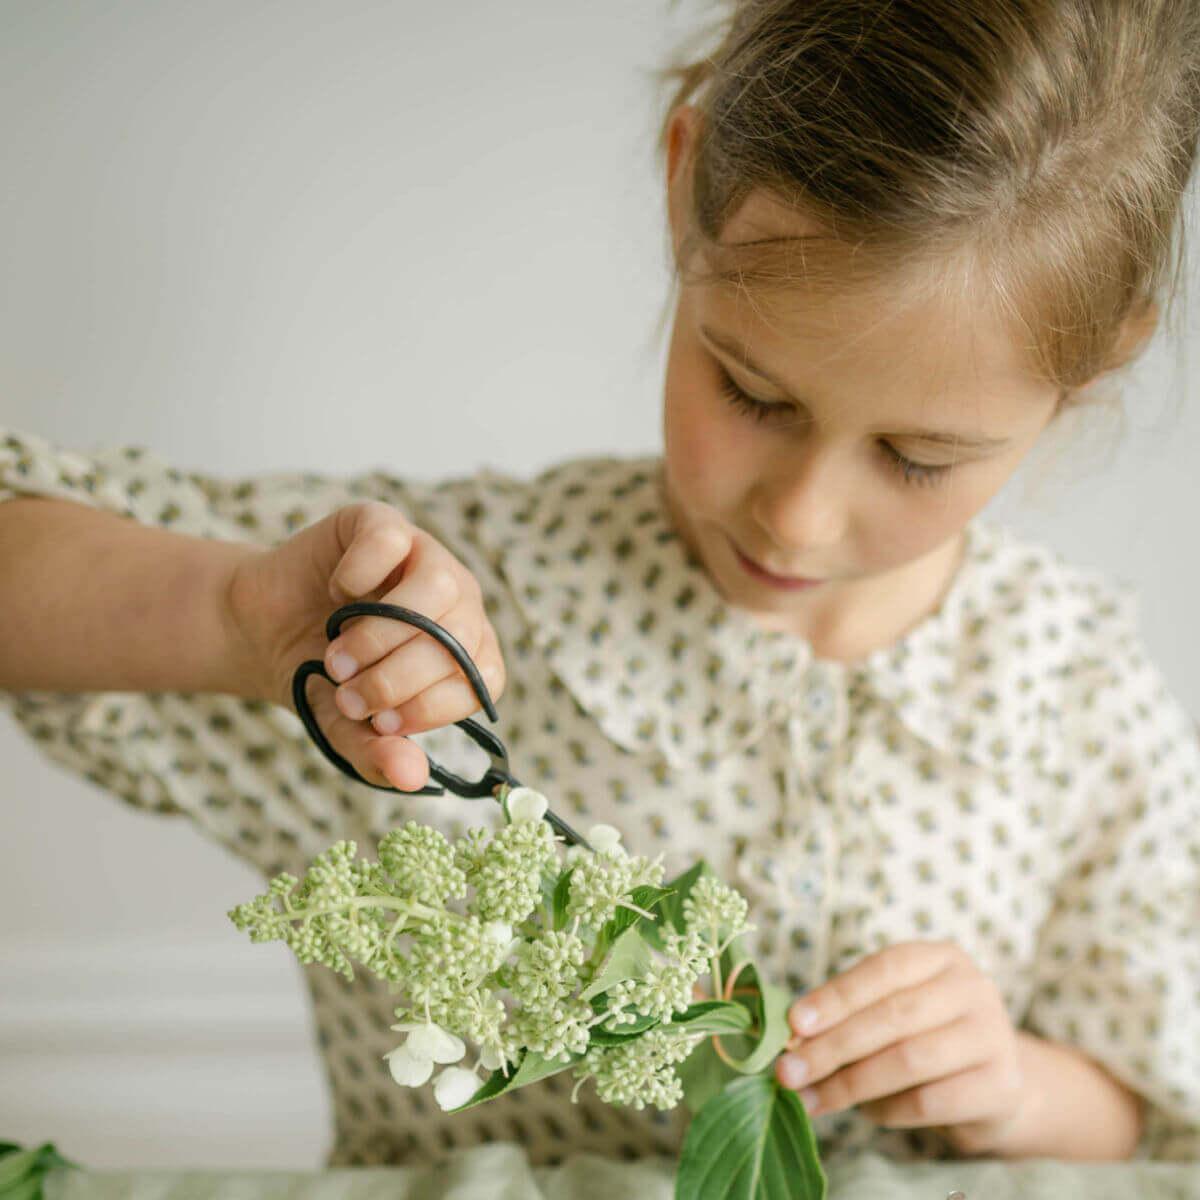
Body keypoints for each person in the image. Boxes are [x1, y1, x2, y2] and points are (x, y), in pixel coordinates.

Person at [2, 0, 1198, 1171]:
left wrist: (1012, 1092)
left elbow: (1150, 1110)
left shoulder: (1076, 698)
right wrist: (237, 618)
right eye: (753, 393)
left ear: (1098, 361)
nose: (799, 513)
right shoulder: (436, 613)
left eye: (916, 458)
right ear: (685, 188)